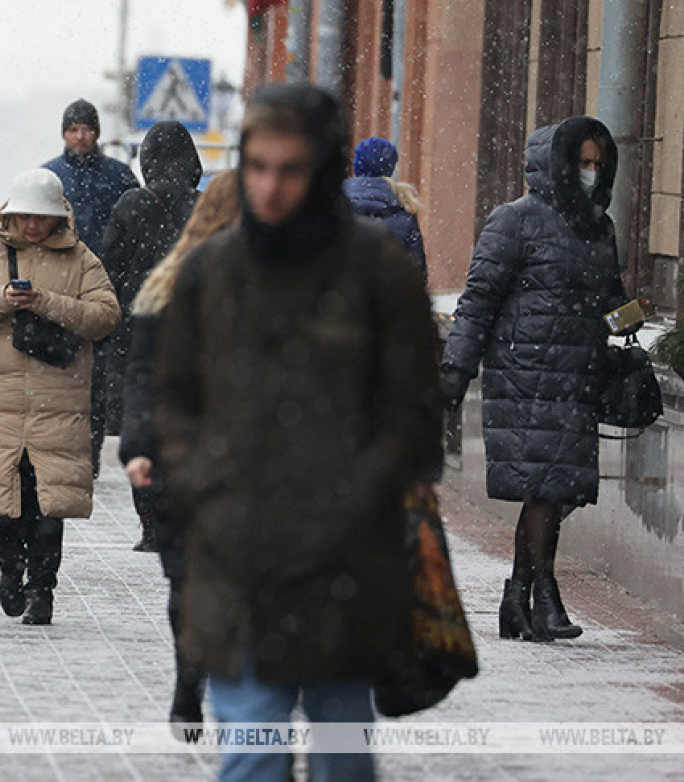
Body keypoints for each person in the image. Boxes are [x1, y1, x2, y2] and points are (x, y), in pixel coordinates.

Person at [152, 83, 442, 782]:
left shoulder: (378, 270)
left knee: (343, 757)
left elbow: (415, 416)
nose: (271, 187)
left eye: (290, 169)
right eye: (257, 167)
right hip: (237, 561)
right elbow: (173, 401)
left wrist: (351, 494)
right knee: (251, 756)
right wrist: (207, 484)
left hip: (344, 566)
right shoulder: (211, 272)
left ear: (323, 169)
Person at [442, 117, 627, 643]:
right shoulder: (515, 220)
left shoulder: (599, 226)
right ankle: (542, 596)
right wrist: (455, 370)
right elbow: (477, 303)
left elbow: (610, 304)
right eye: (581, 163)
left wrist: (632, 318)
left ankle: (518, 598)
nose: (590, 173)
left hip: (576, 375)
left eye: (598, 164)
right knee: (547, 489)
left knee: (556, 490)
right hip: (527, 376)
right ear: (559, 164)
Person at [0, 168, 121, 626]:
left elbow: (105, 316)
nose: (31, 227)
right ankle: (11, 571)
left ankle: (42, 589)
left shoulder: (82, 261)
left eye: (40, 219)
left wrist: (47, 302)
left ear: (57, 217)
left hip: (58, 402)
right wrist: (1, 300)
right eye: (24, 217)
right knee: (5, 504)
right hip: (2, 403)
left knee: (49, 506)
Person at [120, 169, 240, 726]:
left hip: (233, 459)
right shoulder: (167, 288)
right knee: (189, 577)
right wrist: (138, 447)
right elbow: (143, 376)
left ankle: (212, 672)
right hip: (189, 456)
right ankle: (190, 674)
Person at [99, 119, 203, 551]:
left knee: (141, 426)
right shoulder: (204, 206)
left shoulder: (129, 205)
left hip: (137, 330)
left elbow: (109, 266)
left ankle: (150, 522)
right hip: (191, 333)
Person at [43, 98, 139, 477]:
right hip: (59, 288)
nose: (80, 136)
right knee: (60, 374)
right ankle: (61, 449)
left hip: (104, 289)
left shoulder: (118, 178)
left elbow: (134, 233)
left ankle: (91, 450)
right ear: (64, 133)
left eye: (86, 129)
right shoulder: (49, 179)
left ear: (96, 132)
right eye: (73, 129)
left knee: (96, 379)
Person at [342, 136, 428, 282]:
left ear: (356, 166)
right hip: (391, 300)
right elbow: (417, 274)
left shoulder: (335, 207)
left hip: (340, 301)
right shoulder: (404, 211)